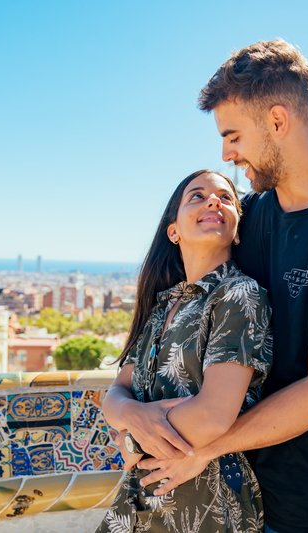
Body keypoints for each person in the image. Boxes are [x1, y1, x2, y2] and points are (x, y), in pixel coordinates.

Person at [133, 40, 308, 533]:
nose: (226, 154)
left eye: (233, 135)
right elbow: (188, 304)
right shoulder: (248, 216)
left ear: (277, 121)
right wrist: (126, 409)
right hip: (230, 497)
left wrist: (202, 446)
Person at [96, 169, 273, 533]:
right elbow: (114, 394)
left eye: (226, 198)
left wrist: (131, 436)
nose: (213, 201)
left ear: (237, 230)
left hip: (205, 505)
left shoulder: (237, 295)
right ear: (173, 230)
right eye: (197, 196)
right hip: (140, 502)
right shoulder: (162, 307)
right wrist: (130, 411)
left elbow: (212, 415)